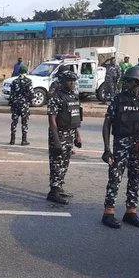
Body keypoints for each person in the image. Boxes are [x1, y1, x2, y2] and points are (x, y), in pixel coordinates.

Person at [101, 66, 139, 229]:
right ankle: (109, 212)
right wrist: (107, 149)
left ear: (138, 82)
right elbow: (107, 123)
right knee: (115, 177)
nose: (125, 83)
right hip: (121, 143)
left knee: (135, 177)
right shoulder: (118, 99)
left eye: (128, 80)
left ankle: (131, 212)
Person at [46, 70, 82, 205]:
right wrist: (56, 141)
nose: (72, 83)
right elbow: (52, 120)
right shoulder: (56, 97)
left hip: (70, 134)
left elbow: (75, 117)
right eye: (69, 80)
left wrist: (77, 135)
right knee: (56, 163)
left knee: (65, 163)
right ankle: (53, 192)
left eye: (74, 80)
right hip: (59, 134)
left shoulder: (73, 96)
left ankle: (59, 187)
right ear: (62, 81)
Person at [8, 64, 34, 146]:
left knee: (14, 122)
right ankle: (24, 140)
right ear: (26, 72)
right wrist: (29, 101)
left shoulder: (14, 81)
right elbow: (31, 94)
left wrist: (12, 103)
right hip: (24, 105)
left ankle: (12, 139)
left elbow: (11, 94)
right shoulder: (28, 81)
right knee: (24, 122)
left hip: (15, 104)